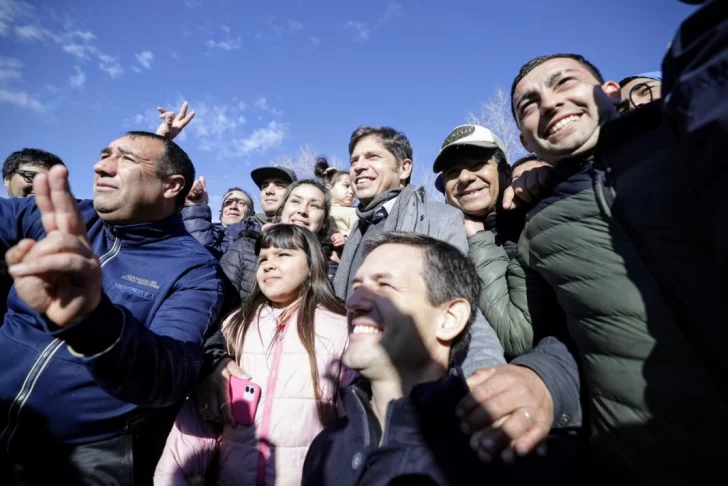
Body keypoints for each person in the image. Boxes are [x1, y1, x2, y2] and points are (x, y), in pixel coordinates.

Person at [469, 50, 726, 481]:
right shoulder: (536, 227)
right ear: (526, 141)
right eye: (528, 105)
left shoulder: (691, 138)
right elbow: (556, 334)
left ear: (609, 92)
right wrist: (545, 377)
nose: (549, 104)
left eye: (564, 82)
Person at [0, 132, 226, 484]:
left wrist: (94, 323)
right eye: (104, 155)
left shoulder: (195, 270)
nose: (100, 166)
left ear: (171, 185)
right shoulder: (61, 215)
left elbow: (170, 374)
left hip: (83, 459)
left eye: (127, 158)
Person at [303, 233, 582, 485]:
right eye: (356, 287)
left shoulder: (508, 454)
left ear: (449, 319)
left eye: (384, 285)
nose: (352, 303)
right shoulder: (325, 447)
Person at [156, 225, 354, 486]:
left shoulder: (341, 329)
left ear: (312, 265)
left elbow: (352, 426)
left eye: (283, 255)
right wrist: (173, 475)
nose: (269, 265)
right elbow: (203, 416)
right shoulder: (234, 326)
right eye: (263, 258)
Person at [332, 125, 505, 376]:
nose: (358, 166)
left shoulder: (439, 218)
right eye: (354, 160)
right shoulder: (355, 232)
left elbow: (458, 304)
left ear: (404, 168)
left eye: (373, 157)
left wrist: (486, 376)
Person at [221, 179, 333, 302]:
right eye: (295, 201)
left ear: (324, 221)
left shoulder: (332, 265)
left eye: (314, 205)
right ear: (282, 209)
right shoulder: (245, 248)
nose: (302, 211)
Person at [182, 178, 256, 258]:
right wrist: (196, 205)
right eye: (228, 202)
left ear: (252, 213)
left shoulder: (260, 234)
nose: (233, 206)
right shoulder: (206, 230)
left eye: (241, 203)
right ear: (220, 212)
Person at [314, 157, 357, 250]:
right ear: (328, 188)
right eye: (346, 186)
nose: (351, 192)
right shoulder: (320, 208)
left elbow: (358, 229)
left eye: (354, 189)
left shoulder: (353, 211)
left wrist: (345, 237)